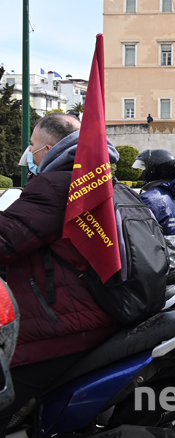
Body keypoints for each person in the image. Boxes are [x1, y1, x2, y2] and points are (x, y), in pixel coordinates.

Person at [0, 113, 120, 427]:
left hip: (61, 324)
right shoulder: (102, 182)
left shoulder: (54, 187)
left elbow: (6, 240)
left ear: (50, 148)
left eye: (32, 146)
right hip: (99, 313)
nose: (29, 154)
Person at [132, 149, 175, 269]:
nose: (143, 173)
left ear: (153, 171)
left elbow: (134, 234)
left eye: (144, 169)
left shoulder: (149, 199)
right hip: (172, 262)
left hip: (154, 265)